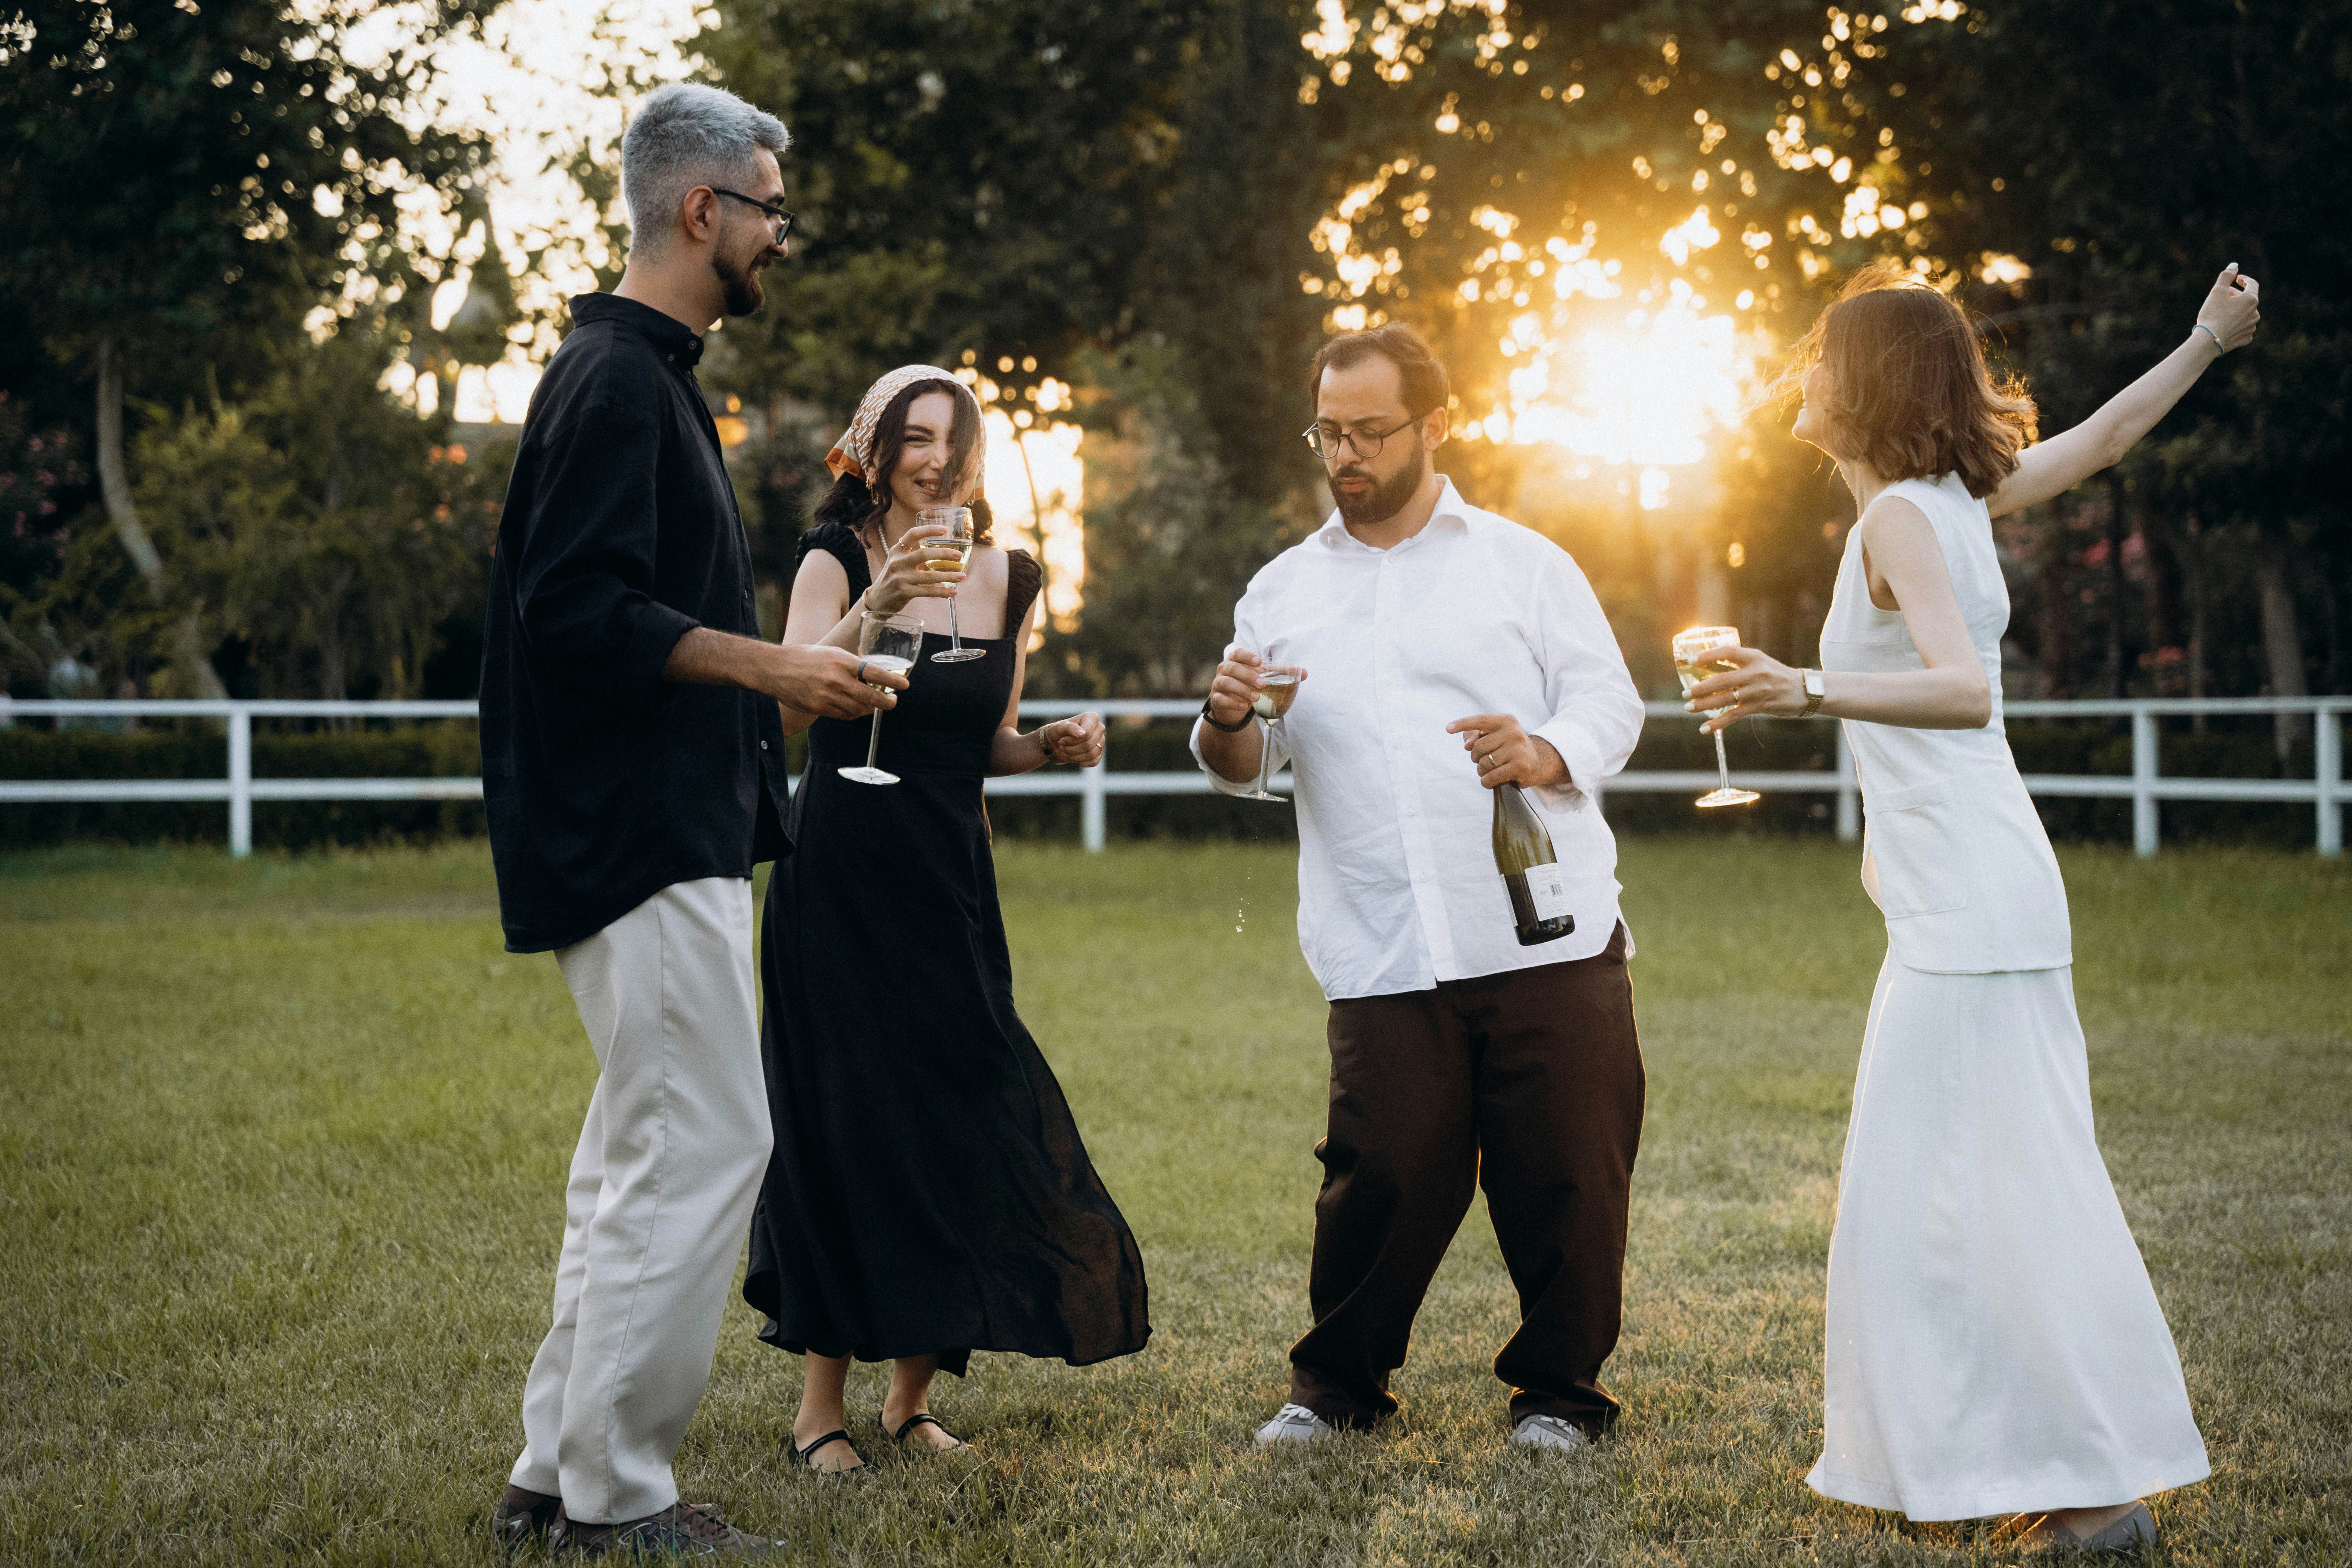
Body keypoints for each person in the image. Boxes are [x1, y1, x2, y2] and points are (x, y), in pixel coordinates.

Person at [1689, 264, 2260, 1553]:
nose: (1806, 375)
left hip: (1974, 909)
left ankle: (2098, 1494)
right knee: (1957, 1190)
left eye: (1827, 359)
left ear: (1873, 386)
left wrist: (1804, 691)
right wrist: (2203, 342)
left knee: (1978, 1195)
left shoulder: (1900, 515)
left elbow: (1963, 693)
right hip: (1975, 893)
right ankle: (2009, 1471)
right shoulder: (1952, 495)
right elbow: (2107, 440)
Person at [481, 83, 900, 1560]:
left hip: (676, 828)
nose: (786, 233)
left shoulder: (649, 374)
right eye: (774, 206)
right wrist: (776, 664)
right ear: (703, 210)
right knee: (711, 1142)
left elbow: (627, 617)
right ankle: (617, 1500)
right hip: (634, 838)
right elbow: (576, 612)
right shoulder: (611, 378)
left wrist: (781, 690)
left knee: (638, 1155)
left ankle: (554, 1476)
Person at [1195, 323, 1649, 1453]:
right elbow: (1250, 770)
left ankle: (1560, 1396)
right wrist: (1225, 720)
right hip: (1383, 933)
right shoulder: (1283, 589)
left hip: (1542, 928)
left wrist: (1543, 751)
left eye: (1370, 431)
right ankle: (1336, 1390)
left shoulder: (1524, 563)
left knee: (1568, 1173)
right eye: (1329, 432)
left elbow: (1612, 706)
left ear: (1436, 425)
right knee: (1380, 1172)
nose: (1345, 454)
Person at [742, 364, 1151, 1475]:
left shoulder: (1012, 577)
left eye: (953, 444)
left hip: (949, 881)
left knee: (961, 1114)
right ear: (874, 449)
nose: (934, 460)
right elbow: (788, 703)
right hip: (837, 878)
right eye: (914, 439)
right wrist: (879, 602)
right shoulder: (834, 559)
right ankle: (818, 1412)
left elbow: (985, 749)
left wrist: (1050, 748)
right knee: (847, 1122)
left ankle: (910, 1403)